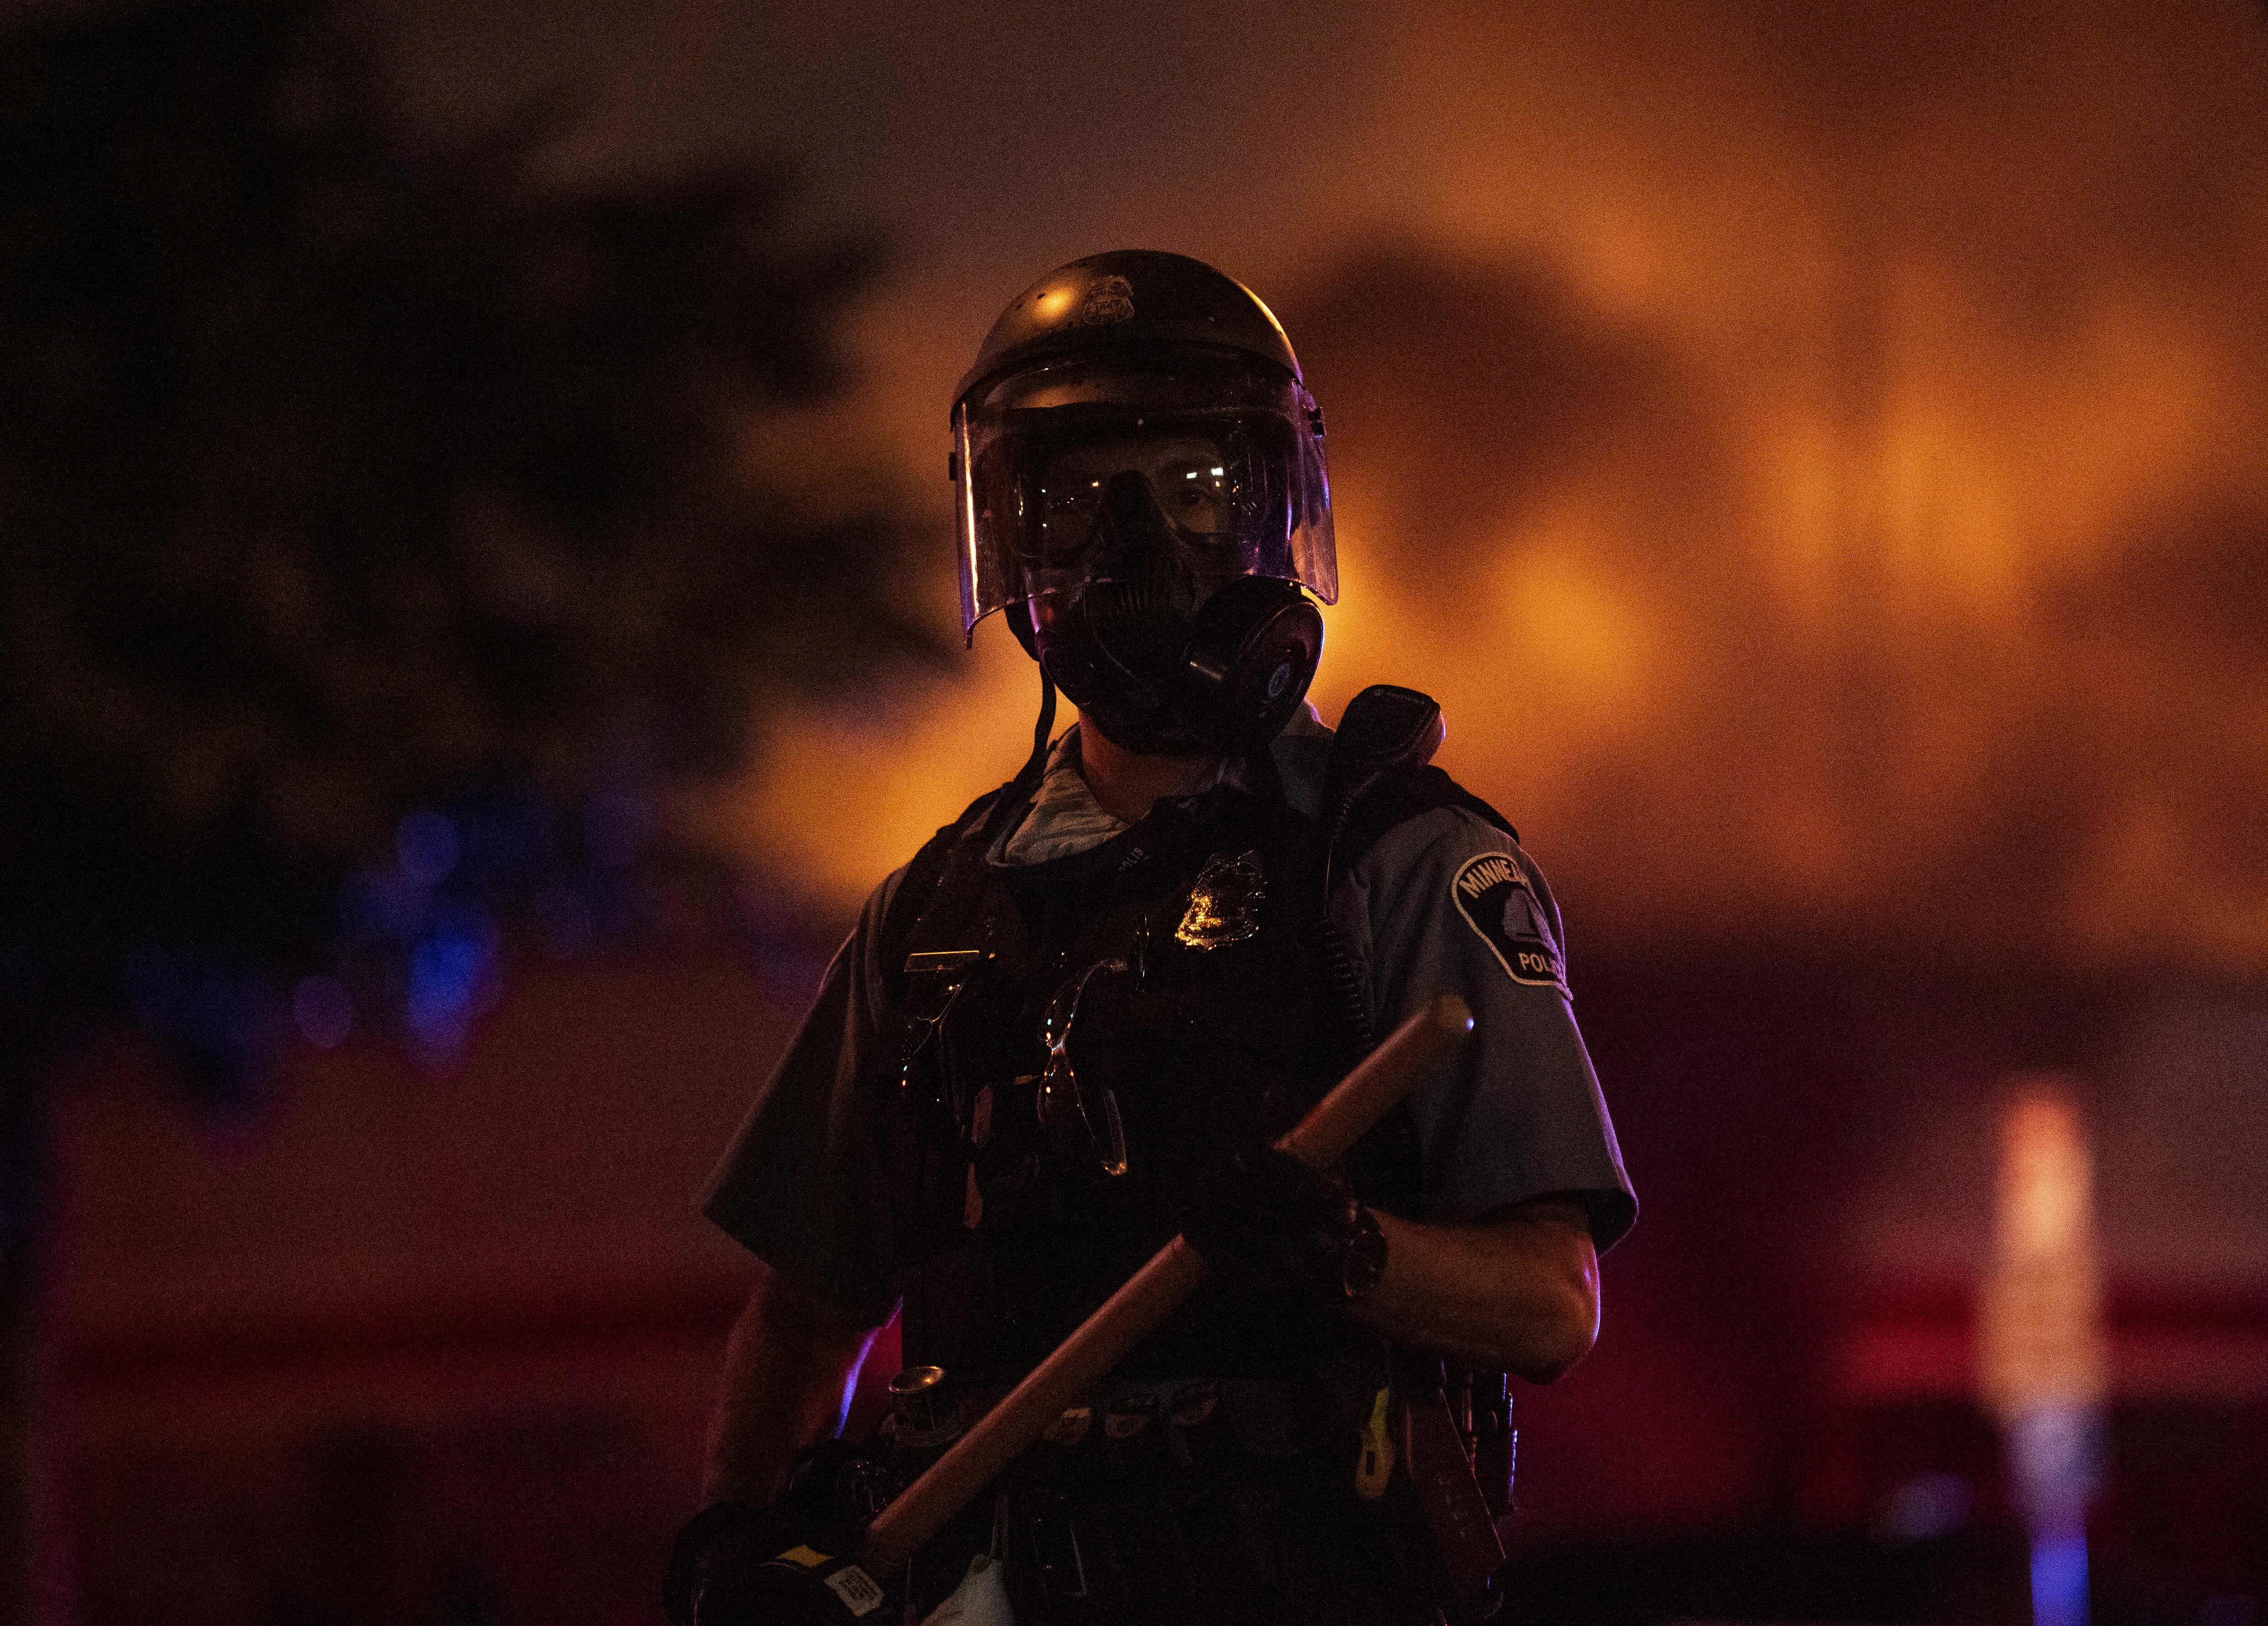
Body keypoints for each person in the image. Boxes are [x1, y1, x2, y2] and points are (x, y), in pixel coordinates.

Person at [669, 250, 1636, 1626]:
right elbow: (804, 1308)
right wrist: (734, 1535)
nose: (1138, 553)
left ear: (1272, 512)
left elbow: (1553, 1303)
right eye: (1076, 503)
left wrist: (1345, 1249)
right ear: (1010, 537)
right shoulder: (932, 909)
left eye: (1192, 490)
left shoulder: (1396, 865)